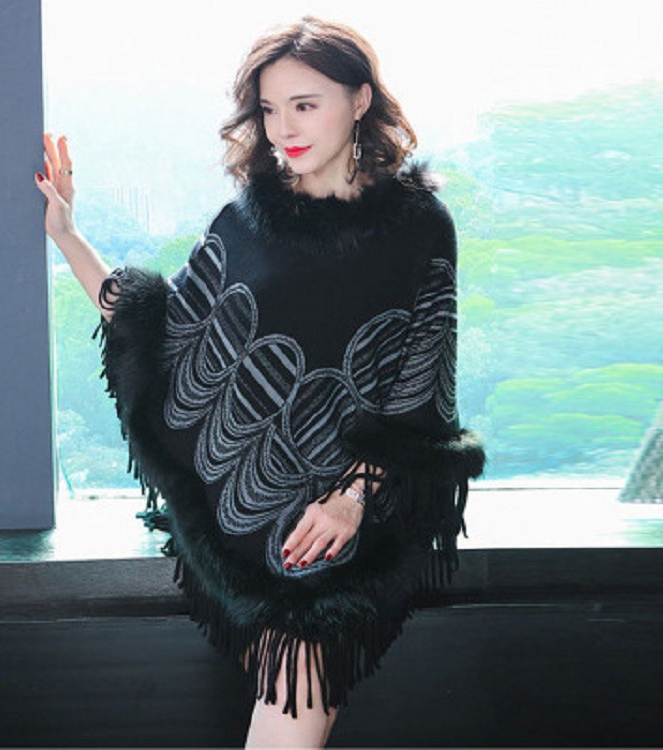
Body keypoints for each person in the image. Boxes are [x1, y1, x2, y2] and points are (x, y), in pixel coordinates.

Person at [34, 15, 486, 748]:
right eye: (271, 109)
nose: (284, 129)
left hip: (344, 535)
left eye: (305, 104)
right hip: (245, 523)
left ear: (360, 99)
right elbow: (166, 332)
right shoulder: (246, 220)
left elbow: (419, 381)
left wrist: (353, 498)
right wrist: (66, 235)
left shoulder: (419, 225)